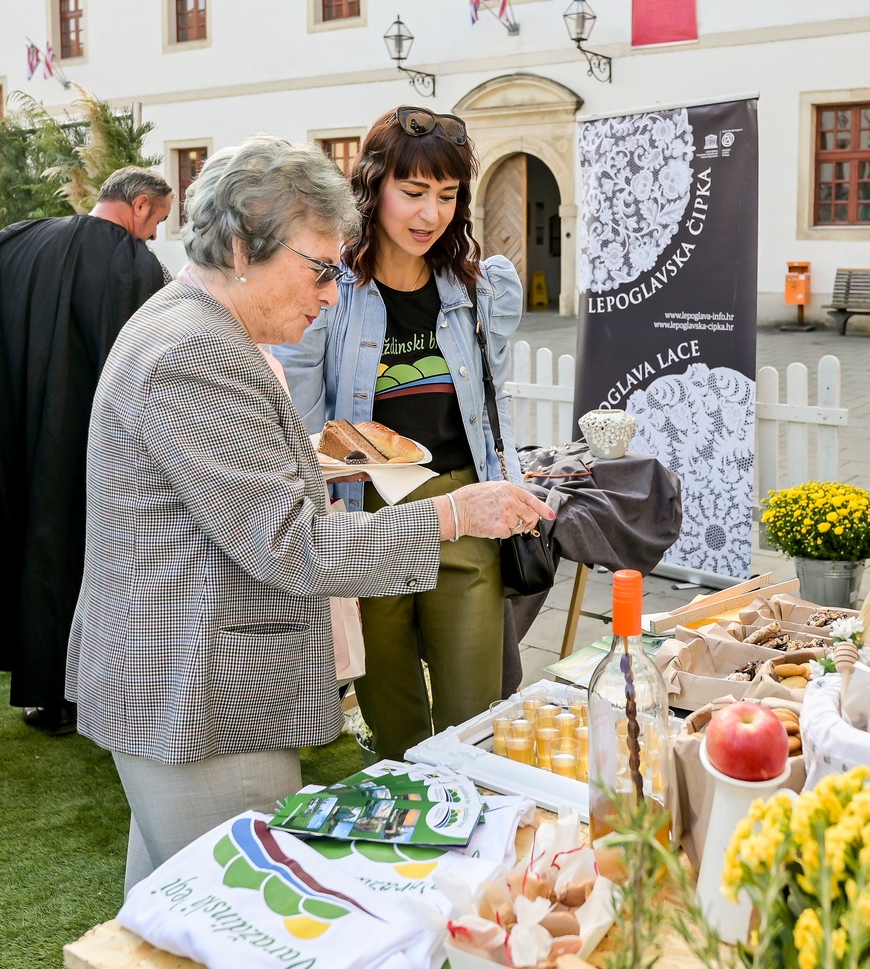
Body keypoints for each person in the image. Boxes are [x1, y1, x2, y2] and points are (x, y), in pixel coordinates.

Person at [65, 135, 553, 892]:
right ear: (238, 248)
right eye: (320, 270)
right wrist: (452, 514)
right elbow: (289, 543)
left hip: (196, 684)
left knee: (170, 911)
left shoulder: (198, 329)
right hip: (204, 698)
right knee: (243, 908)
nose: (331, 294)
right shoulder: (197, 353)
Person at [271, 106, 529, 762]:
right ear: (373, 187)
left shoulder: (474, 290)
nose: (430, 214)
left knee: (475, 718)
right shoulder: (333, 295)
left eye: (447, 196)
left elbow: (489, 410)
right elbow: (303, 424)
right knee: (396, 727)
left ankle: (473, 841)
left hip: (463, 514)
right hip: (369, 520)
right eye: (413, 193)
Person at [0, 166, 173, 736]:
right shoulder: (135, 265)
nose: (153, 235)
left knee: (30, 551)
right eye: (156, 221)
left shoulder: (18, 241)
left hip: (14, 432)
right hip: (89, 445)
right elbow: (153, 362)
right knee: (81, 560)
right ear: (139, 205)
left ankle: (44, 698)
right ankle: (87, 695)